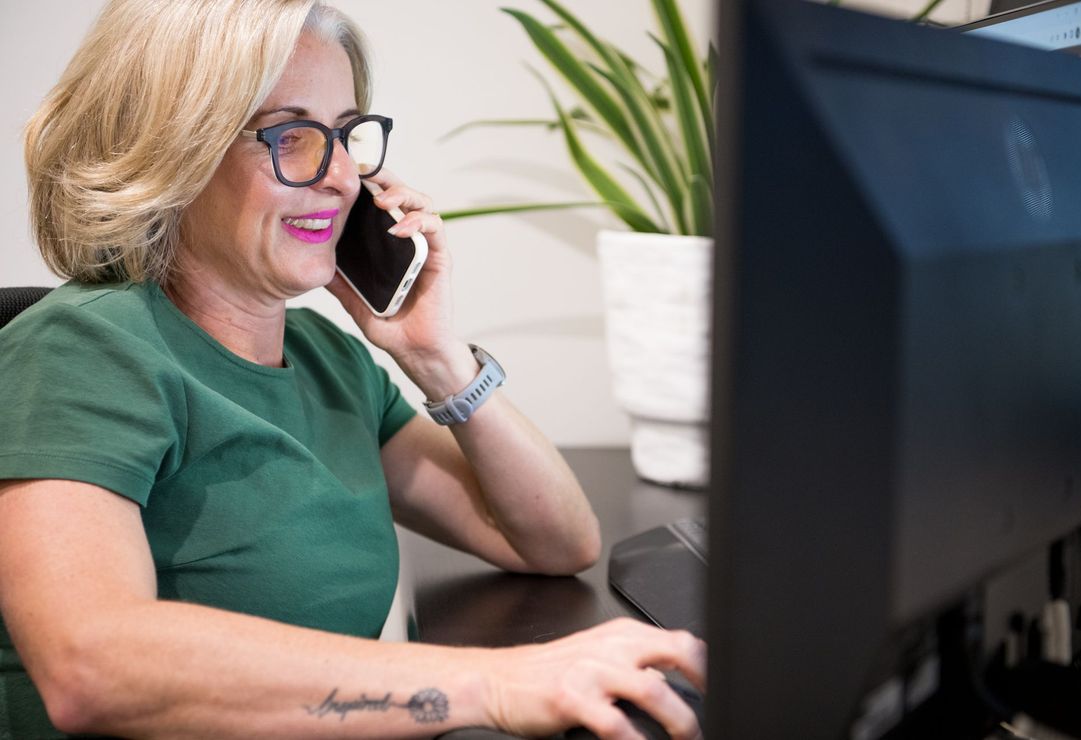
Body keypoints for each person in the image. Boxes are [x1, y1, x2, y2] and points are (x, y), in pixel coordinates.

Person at [0, 1, 706, 738]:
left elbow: (556, 543)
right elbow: (92, 666)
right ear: (171, 150)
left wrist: (435, 358)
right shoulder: (82, 351)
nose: (340, 178)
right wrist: (494, 684)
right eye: (291, 135)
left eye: (345, 135)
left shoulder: (325, 358)